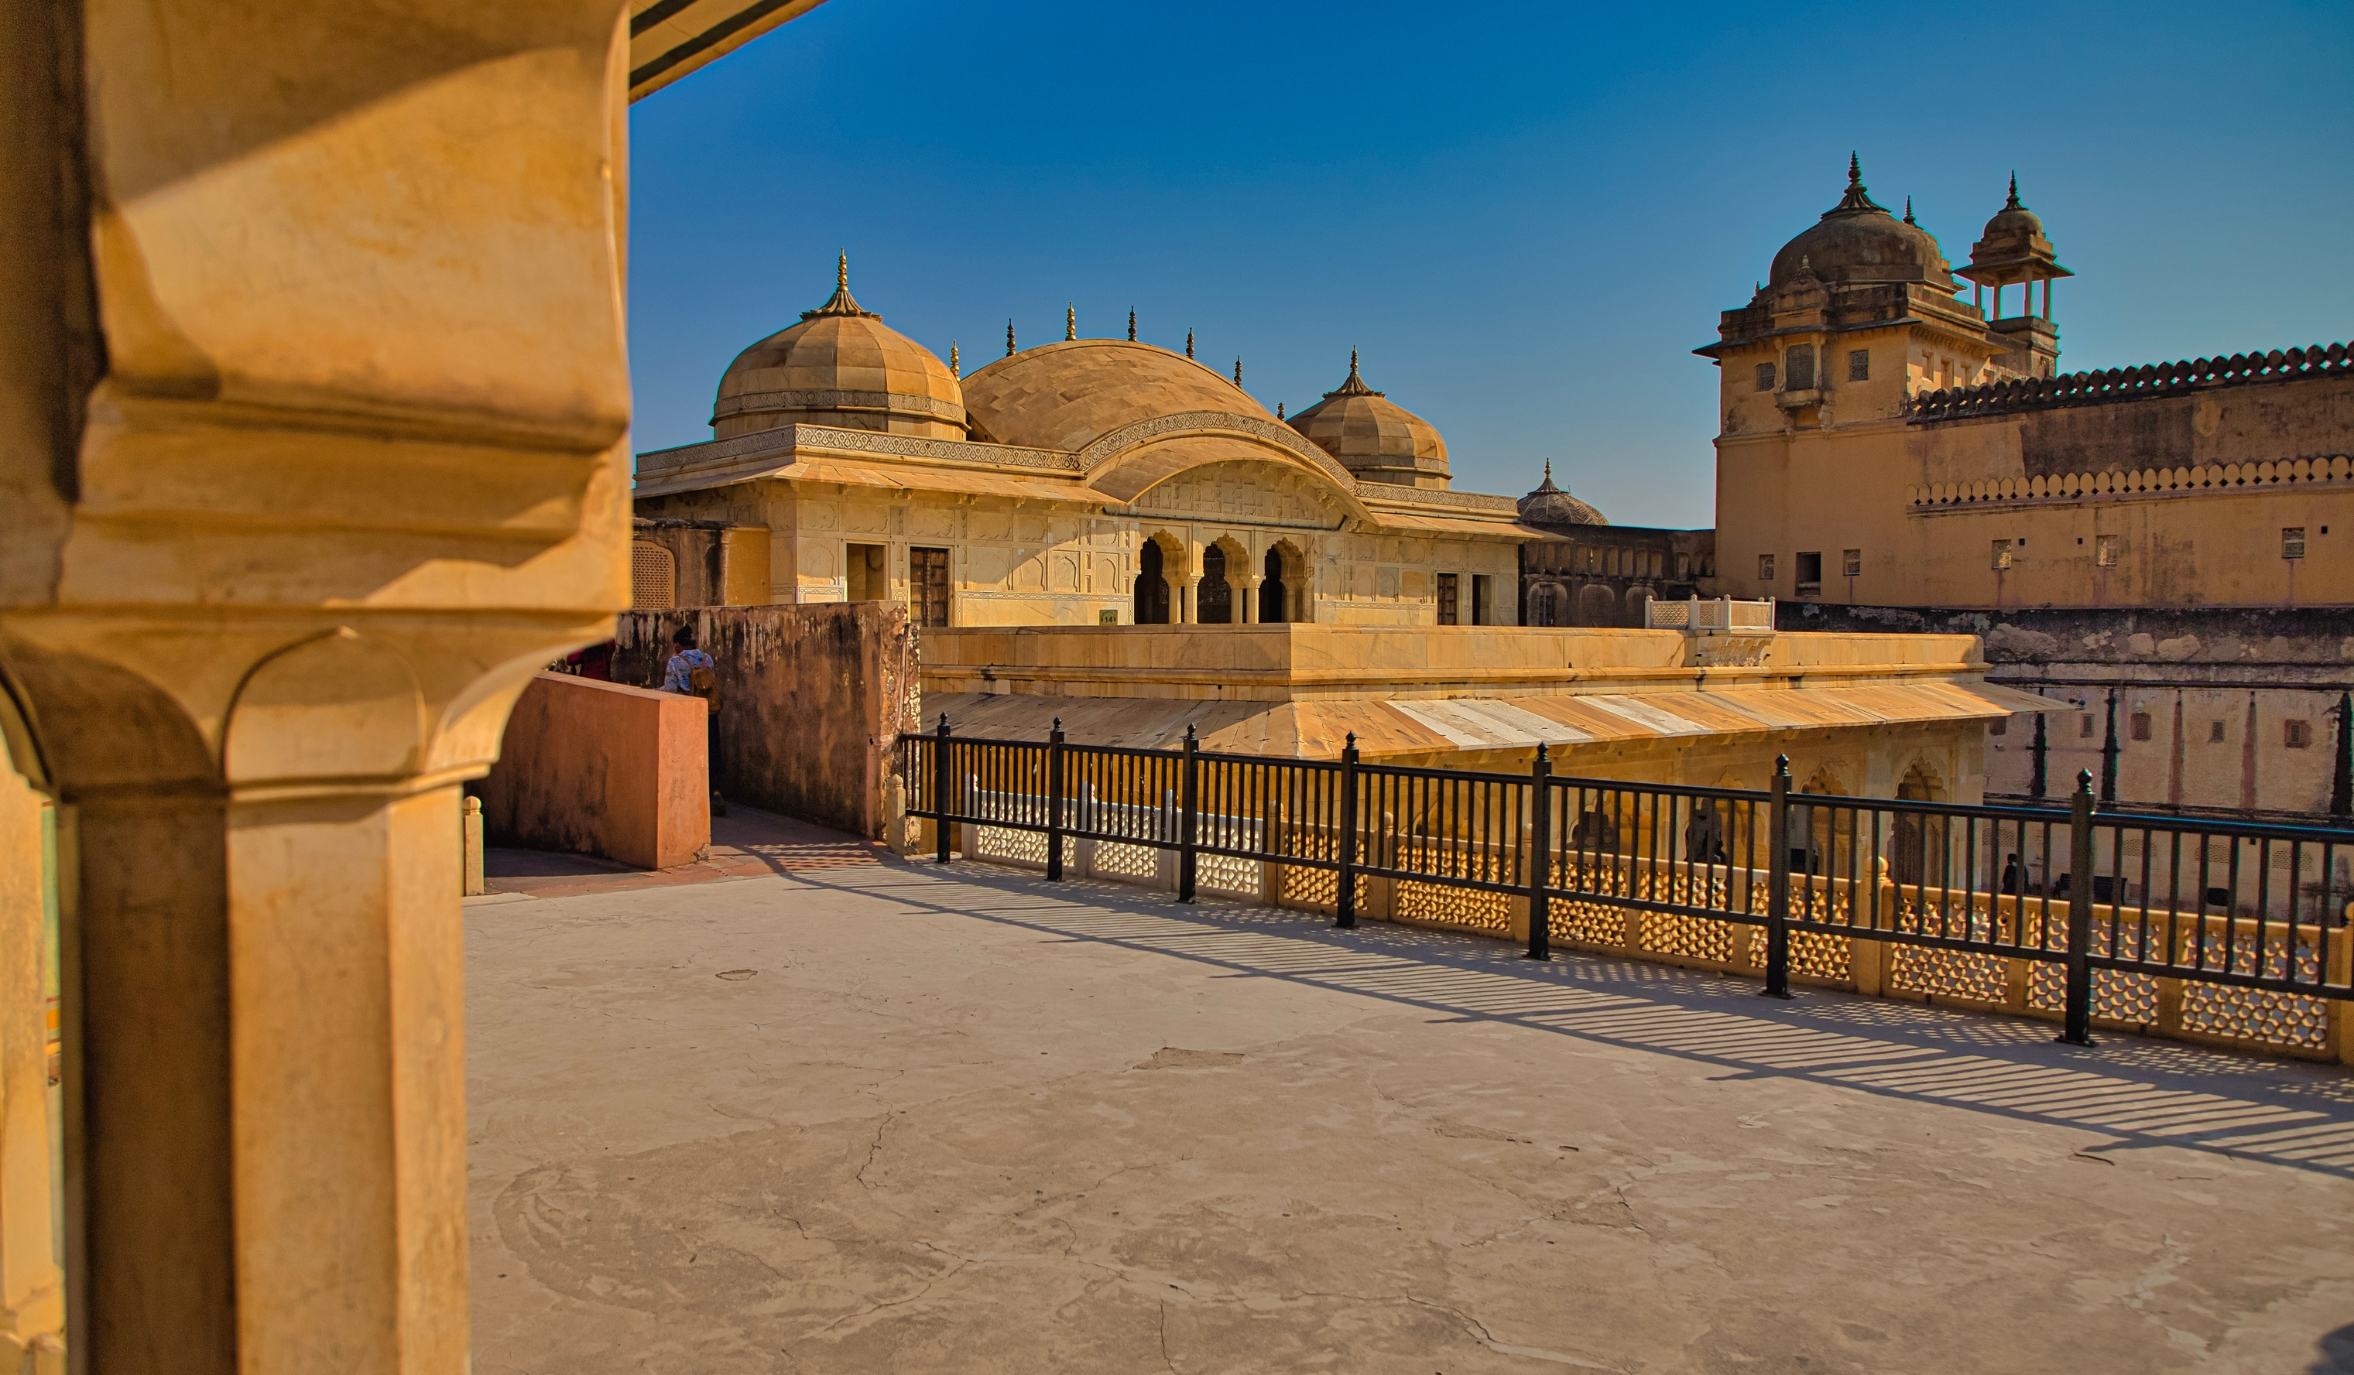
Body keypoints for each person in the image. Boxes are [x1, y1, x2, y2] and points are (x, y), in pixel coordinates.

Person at [662, 625, 726, 816]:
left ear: (677, 645)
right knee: (712, 752)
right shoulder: (707, 659)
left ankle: (690, 797)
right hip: (709, 711)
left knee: (687, 755)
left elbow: (670, 691)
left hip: (687, 714)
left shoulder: (675, 661)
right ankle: (716, 790)